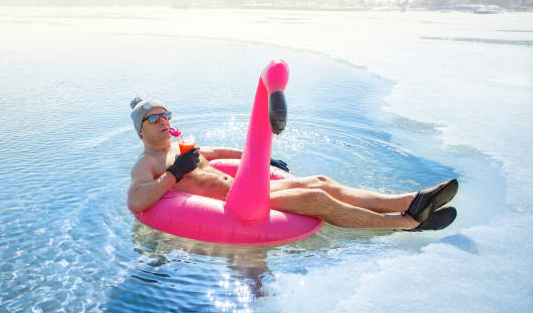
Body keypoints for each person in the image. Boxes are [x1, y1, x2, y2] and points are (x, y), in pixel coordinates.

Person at [127, 98, 458, 231]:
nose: (163, 120)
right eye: (153, 117)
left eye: (165, 114)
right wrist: (175, 173)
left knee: (320, 181)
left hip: (247, 189)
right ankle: (406, 224)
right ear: (140, 128)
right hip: (234, 204)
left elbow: (219, 153)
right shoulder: (146, 163)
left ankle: (409, 201)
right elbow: (137, 199)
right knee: (316, 200)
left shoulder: (186, 147)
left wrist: (262, 159)